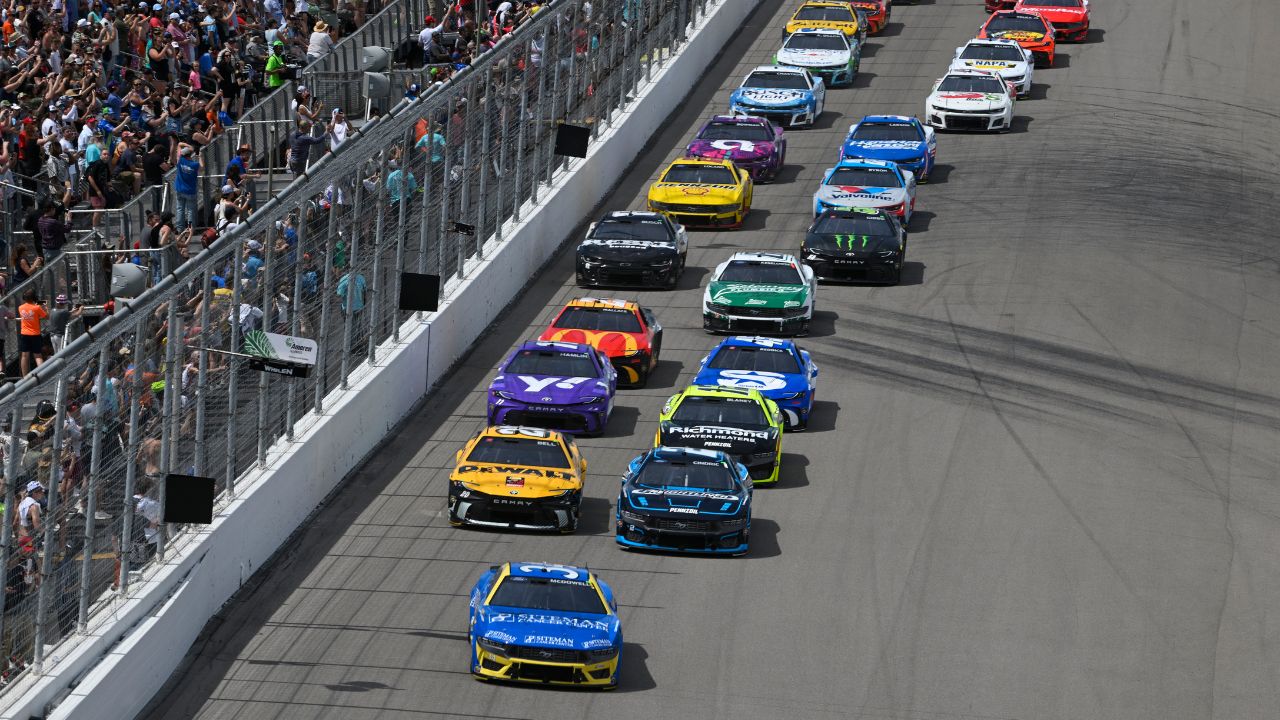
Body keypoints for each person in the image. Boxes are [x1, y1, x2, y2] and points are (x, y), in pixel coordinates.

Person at [17, 290, 48, 377]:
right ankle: (42, 375)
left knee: (24, 355)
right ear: (34, 298)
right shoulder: (37, 308)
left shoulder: (20, 307)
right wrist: (45, 308)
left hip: (24, 334)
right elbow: (46, 317)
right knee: (38, 356)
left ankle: (25, 377)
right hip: (35, 334)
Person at [173, 142, 201, 232]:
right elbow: (203, 167)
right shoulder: (194, 165)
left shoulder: (180, 160)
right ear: (190, 154)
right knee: (190, 210)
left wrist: (188, 146)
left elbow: (179, 145)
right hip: (190, 191)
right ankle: (190, 228)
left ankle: (180, 228)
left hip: (180, 189)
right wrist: (200, 157)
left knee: (180, 209)